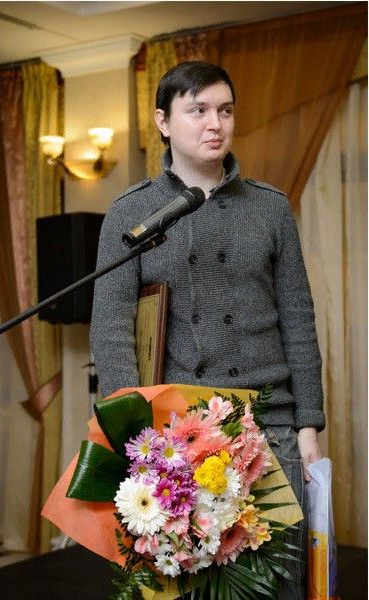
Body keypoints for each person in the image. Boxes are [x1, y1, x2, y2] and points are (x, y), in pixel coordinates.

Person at [90, 61, 324, 599]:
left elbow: (298, 318)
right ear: (163, 122)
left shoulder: (270, 207)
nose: (215, 123)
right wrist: (137, 437)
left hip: (271, 428)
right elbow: (111, 327)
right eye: (197, 110)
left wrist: (309, 425)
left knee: (279, 584)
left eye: (225, 110)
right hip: (179, 437)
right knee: (193, 587)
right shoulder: (132, 211)